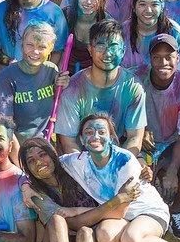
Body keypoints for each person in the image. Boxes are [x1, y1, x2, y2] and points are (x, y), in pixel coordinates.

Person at [61, 113, 180, 242]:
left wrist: (76, 211)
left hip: (149, 212)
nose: (95, 136)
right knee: (104, 237)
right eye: (88, 132)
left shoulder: (125, 161)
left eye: (102, 132)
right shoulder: (78, 161)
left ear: (112, 137)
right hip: (122, 215)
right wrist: (27, 188)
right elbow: (45, 164)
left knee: (131, 238)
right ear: (81, 139)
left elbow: (117, 210)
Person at [140, 34, 180, 239]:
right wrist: (140, 130)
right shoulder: (137, 78)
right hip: (142, 142)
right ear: (150, 59)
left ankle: (175, 210)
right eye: (157, 57)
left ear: (178, 58)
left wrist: (173, 171)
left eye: (169, 56)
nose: (163, 62)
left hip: (172, 143)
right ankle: (148, 213)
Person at [55, 20, 146, 156]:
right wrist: (88, 170)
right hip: (82, 158)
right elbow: (69, 142)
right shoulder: (73, 89)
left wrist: (118, 165)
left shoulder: (133, 87)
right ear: (90, 50)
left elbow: (135, 137)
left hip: (118, 155)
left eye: (114, 46)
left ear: (123, 51)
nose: (107, 53)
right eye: (100, 46)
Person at [0, 22, 71, 145]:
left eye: (42, 47)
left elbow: (59, 108)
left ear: (51, 48)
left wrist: (62, 87)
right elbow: (3, 126)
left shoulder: (52, 71)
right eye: (30, 45)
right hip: (16, 145)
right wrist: (18, 160)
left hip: (47, 143)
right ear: (22, 44)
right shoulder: (7, 77)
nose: (35, 51)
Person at [121, 0, 180, 71]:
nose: (148, 10)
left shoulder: (173, 31)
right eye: (142, 4)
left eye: (154, 5)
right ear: (134, 7)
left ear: (162, 7)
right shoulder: (123, 31)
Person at [63, 0, 109, 73]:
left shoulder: (106, 24)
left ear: (101, 1)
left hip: (92, 76)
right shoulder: (65, 16)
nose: (89, 2)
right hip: (64, 74)